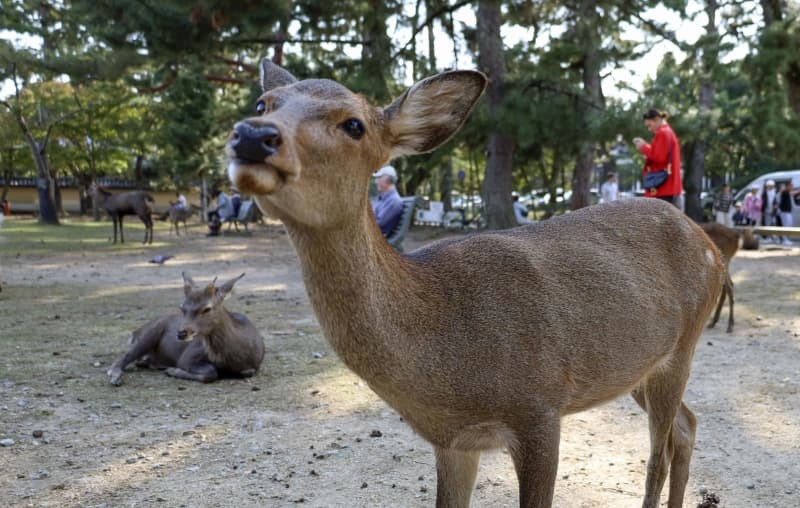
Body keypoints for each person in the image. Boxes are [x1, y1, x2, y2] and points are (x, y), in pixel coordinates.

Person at [633, 108, 682, 207]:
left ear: (656, 119)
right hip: (668, 187)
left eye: (649, 125)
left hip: (663, 188)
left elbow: (659, 158)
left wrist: (643, 147)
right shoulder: (667, 132)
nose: (649, 129)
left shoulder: (663, 133)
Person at [371, 165, 404, 237]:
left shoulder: (394, 201)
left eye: (379, 178)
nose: (376, 181)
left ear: (388, 180)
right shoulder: (383, 198)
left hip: (376, 238)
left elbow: (377, 225)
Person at [777, 181, 799, 245]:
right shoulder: (785, 192)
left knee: (789, 225)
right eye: (791, 186)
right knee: (785, 226)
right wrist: (798, 191)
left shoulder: (787, 192)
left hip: (788, 212)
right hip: (784, 212)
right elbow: (792, 193)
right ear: (787, 186)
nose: (792, 187)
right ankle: (784, 240)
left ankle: (786, 239)